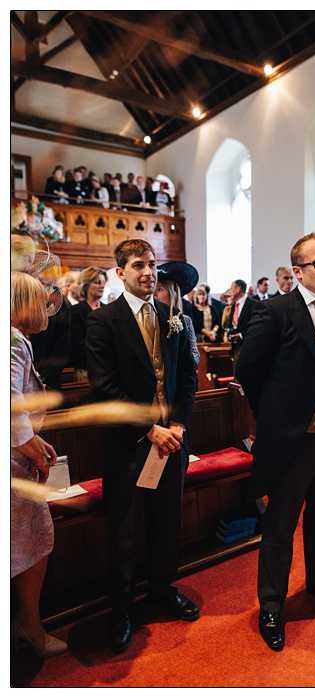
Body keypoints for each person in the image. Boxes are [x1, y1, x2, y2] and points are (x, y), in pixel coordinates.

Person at [235, 232, 315, 652]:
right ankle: (271, 605)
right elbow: (248, 371)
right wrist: (274, 417)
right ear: (298, 271)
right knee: (280, 525)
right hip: (295, 440)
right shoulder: (275, 312)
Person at [84, 239, 199, 654]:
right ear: (121, 273)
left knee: (168, 520)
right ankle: (121, 609)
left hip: (174, 441)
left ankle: (162, 589)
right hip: (130, 443)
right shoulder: (103, 321)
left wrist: (180, 424)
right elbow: (104, 389)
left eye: (152, 264)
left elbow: (186, 376)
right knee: (125, 529)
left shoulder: (174, 318)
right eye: (138, 265)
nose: (148, 272)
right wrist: (152, 428)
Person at [11, 270, 68, 659]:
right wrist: (34, 451)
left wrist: (36, 440)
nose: (47, 305)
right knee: (33, 544)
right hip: (13, 467)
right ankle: (29, 626)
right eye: (41, 299)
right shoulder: (14, 341)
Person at [67, 266, 108, 378]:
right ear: (86, 285)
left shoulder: (108, 310)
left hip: (109, 367)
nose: (102, 286)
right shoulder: (76, 311)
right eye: (97, 282)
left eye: (103, 282)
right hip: (86, 368)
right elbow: (78, 344)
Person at [221, 279, 262, 355]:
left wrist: (241, 335)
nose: (230, 291)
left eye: (231, 288)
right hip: (235, 347)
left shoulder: (254, 304)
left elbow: (257, 325)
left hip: (249, 346)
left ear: (238, 289)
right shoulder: (234, 306)